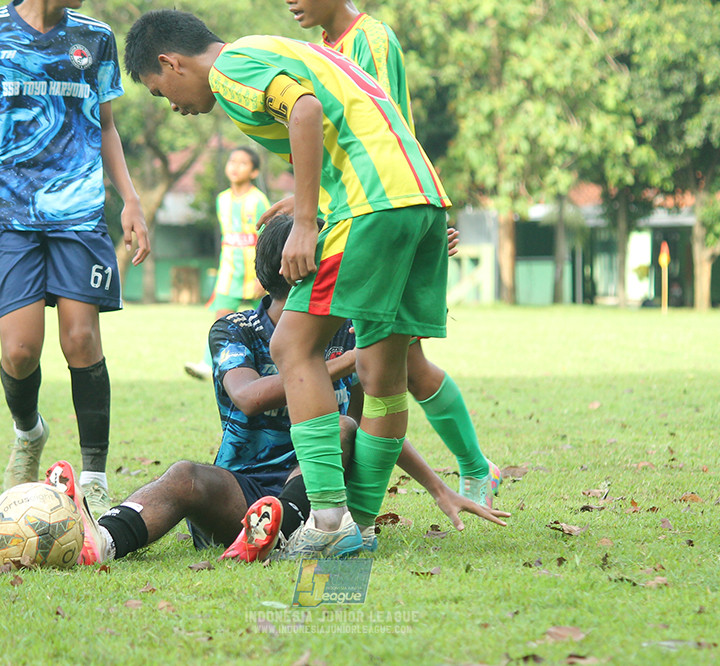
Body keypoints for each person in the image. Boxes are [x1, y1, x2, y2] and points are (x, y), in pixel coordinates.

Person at [123, 10, 456, 559]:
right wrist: (319, 197)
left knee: (291, 346)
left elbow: (305, 110)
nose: (176, 108)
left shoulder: (230, 69)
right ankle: (362, 524)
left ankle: (327, 520)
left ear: (171, 62)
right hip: (420, 195)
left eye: (163, 93)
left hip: (370, 203)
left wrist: (306, 220)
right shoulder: (280, 50)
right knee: (383, 369)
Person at [53, 214, 508, 565]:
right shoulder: (234, 329)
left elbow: (373, 429)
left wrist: (437, 488)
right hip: (240, 487)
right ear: (307, 273)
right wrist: (350, 361)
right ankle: (102, 538)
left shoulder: (348, 330)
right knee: (184, 475)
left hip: (314, 493)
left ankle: (287, 531)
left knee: (345, 427)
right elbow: (248, 397)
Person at [283, 0, 502, 507]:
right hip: (364, 213)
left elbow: (390, 130)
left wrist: (417, 217)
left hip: (385, 210)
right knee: (398, 364)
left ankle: (349, 523)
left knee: (395, 364)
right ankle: (366, 519)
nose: (290, 2)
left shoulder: (373, 39)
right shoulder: (322, 49)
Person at [0, 0, 150, 517]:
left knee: (81, 339)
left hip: (78, 211)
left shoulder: (96, 37)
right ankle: (28, 432)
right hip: (4, 210)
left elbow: (105, 125)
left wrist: (131, 199)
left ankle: (96, 476)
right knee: (19, 350)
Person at [184, 146, 270, 380]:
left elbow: (266, 237)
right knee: (221, 319)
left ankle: (273, 364)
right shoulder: (222, 199)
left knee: (267, 320)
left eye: (243, 163)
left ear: (254, 172)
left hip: (255, 273)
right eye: (232, 161)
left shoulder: (258, 200)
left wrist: (263, 276)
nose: (235, 166)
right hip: (229, 272)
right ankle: (209, 364)